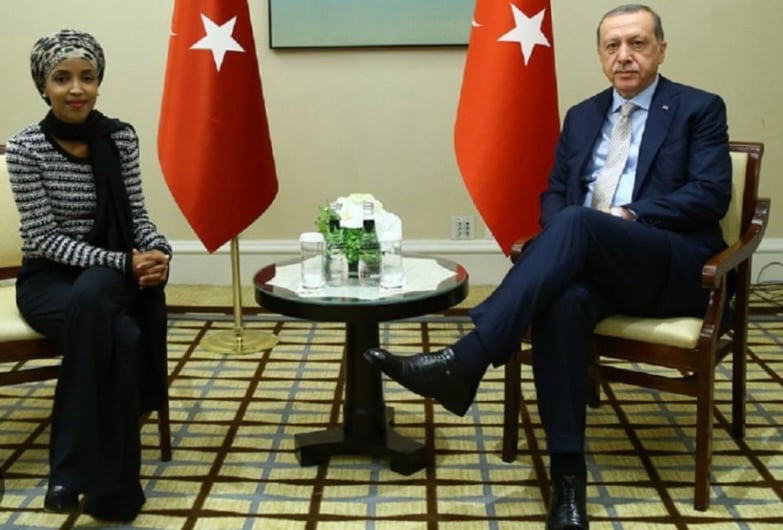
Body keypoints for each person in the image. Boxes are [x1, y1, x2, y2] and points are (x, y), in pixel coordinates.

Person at [364, 4, 731, 530]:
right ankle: (568, 481)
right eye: (612, 46)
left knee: (580, 222)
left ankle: (466, 359)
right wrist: (572, 237)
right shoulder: (582, 115)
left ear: (661, 50)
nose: (624, 56)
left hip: (668, 265)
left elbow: (711, 194)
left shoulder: (699, 108)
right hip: (595, 270)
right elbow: (555, 192)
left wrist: (624, 216)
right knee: (563, 302)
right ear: (600, 55)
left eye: (637, 43)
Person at [5, 29, 171, 522]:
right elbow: (44, 240)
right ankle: (110, 493)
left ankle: (69, 475)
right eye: (62, 78)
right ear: (44, 86)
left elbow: (137, 217)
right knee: (118, 334)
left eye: (87, 77)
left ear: (99, 82)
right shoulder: (26, 148)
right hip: (49, 279)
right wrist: (124, 263)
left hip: (108, 273)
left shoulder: (120, 138)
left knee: (95, 297)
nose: (76, 89)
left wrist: (158, 251)